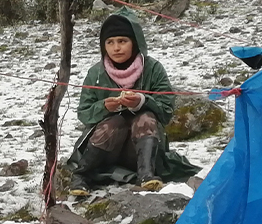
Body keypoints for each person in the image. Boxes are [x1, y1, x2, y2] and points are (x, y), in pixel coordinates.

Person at [65, 10, 198, 194]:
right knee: (115, 121)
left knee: (145, 118)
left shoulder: (153, 69)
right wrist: (105, 107)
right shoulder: (95, 74)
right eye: (110, 42)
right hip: (106, 151)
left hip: (143, 151)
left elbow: (166, 110)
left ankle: (147, 175)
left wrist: (142, 101)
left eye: (122, 41)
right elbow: (84, 113)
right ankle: (82, 176)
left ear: (134, 42)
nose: (116, 48)